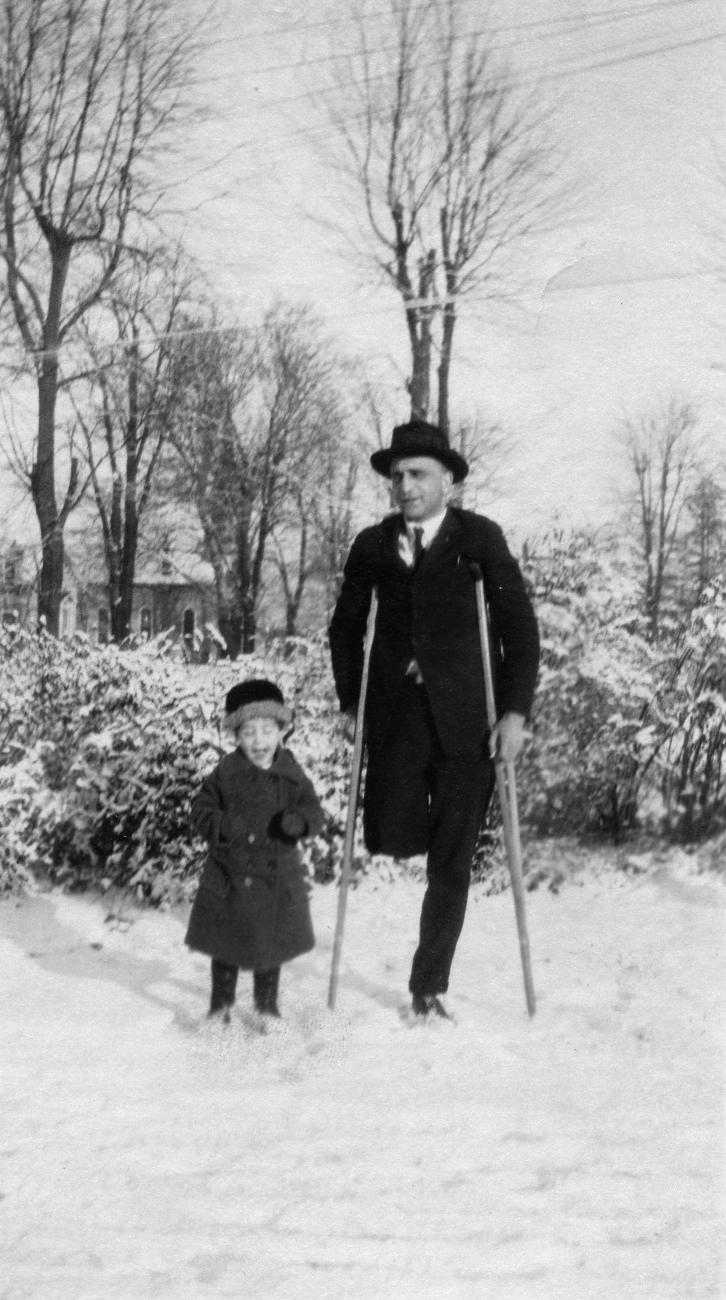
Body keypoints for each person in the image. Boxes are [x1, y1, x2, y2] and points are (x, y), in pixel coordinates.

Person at [329, 418, 539, 1019]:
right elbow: (345, 628)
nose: (404, 484)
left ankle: (428, 986)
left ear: (448, 480)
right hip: (398, 718)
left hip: (469, 721)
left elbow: (521, 630)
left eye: (417, 473)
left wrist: (516, 714)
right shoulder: (372, 544)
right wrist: (352, 700)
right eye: (397, 475)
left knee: (452, 858)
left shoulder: (479, 539)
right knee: (392, 836)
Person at [185, 679, 324, 1023]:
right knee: (226, 943)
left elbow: (314, 811)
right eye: (248, 732)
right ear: (236, 736)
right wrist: (223, 825)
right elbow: (201, 809)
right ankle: (220, 1007)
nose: (258, 741)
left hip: (275, 874)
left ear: (281, 731)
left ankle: (266, 1007)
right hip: (231, 872)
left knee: (270, 944)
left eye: (266, 730)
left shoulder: (291, 772)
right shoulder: (226, 772)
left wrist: (298, 821)